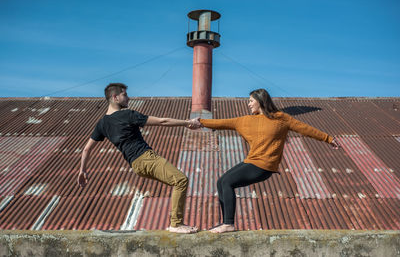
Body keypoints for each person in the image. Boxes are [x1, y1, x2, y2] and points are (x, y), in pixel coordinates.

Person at [199, 88, 340, 233]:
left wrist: (328, 138)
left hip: (263, 166)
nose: (248, 104)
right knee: (221, 182)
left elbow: (305, 129)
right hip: (252, 162)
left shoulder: (281, 118)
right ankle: (225, 222)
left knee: (227, 182)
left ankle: (228, 224)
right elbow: (220, 123)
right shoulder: (245, 121)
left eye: (251, 101)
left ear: (260, 101)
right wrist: (200, 122)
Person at [77, 83, 201, 233]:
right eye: (124, 94)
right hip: (146, 158)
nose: (128, 97)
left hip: (136, 166)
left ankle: (176, 223)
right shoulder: (127, 114)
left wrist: (82, 170)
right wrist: (188, 123)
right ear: (115, 97)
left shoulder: (102, 123)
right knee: (181, 180)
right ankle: (176, 224)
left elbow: (86, 149)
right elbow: (162, 121)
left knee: (176, 182)